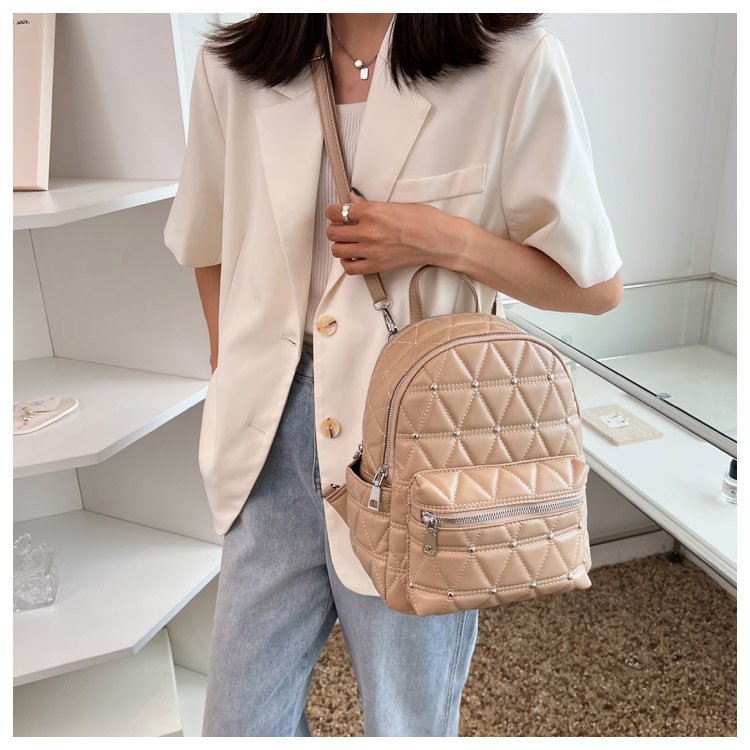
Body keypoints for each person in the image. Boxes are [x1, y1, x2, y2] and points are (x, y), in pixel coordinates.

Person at [163, 12, 623, 737]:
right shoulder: (233, 69)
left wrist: (440, 237)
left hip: (419, 445)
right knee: (239, 723)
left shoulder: (513, 64)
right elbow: (204, 240)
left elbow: (593, 286)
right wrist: (227, 367)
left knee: (406, 722)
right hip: (268, 440)